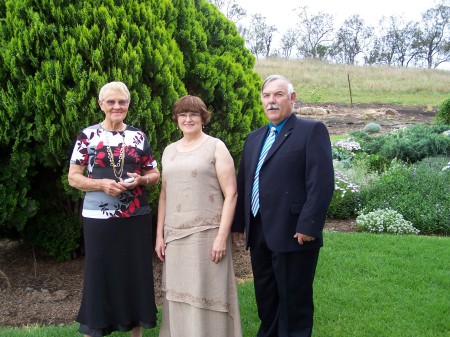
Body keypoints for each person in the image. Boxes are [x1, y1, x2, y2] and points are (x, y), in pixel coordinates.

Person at [232, 75, 335, 337]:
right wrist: (238, 225)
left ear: (292, 98)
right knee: (266, 298)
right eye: (266, 96)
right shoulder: (254, 138)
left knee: (293, 302)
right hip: (259, 232)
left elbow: (321, 183)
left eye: (278, 95)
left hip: (295, 232)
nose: (271, 101)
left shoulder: (311, 131)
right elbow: (244, 182)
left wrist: (309, 225)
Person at [68, 81, 160, 337]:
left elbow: (154, 173)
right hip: (98, 218)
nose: (117, 106)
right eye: (111, 102)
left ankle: (136, 333)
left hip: (135, 216)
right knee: (99, 274)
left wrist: (142, 180)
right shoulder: (87, 136)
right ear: (101, 105)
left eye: (122, 102)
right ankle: (94, 330)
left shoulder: (138, 136)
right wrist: (100, 184)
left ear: (128, 105)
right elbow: (73, 177)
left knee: (135, 273)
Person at [155, 95, 242, 337]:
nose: (188, 119)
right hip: (175, 237)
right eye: (182, 114)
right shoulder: (169, 151)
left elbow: (232, 194)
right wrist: (160, 236)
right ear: (176, 119)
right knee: (179, 296)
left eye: (193, 114)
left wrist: (221, 237)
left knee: (209, 294)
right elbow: (164, 195)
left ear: (203, 118)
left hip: (208, 236)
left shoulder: (215, 147)